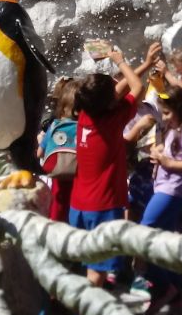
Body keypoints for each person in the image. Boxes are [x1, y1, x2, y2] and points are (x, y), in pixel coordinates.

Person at [71, 42, 161, 289]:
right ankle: (87, 313)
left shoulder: (85, 114)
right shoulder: (114, 119)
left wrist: (146, 64)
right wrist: (120, 60)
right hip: (103, 205)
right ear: (111, 102)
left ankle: (79, 305)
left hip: (79, 204)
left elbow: (123, 89)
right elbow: (136, 87)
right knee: (96, 274)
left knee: (85, 266)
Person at [141, 86, 182, 315]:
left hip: (174, 191)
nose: (164, 117)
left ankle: (162, 285)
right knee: (164, 240)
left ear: (180, 109)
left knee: (145, 231)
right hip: (164, 187)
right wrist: (159, 154)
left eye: (167, 113)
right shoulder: (173, 129)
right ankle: (174, 292)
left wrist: (167, 162)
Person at [41, 78, 79, 224]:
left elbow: (39, 153)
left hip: (58, 174)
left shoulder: (54, 126)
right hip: (79, 175)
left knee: (58, 205)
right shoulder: (85, 126)